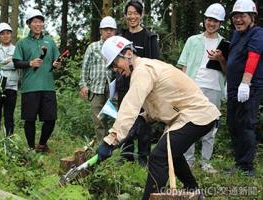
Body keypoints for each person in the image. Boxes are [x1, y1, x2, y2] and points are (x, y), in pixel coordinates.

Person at [97, 35, 220, 200]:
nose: (115, 70)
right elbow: (161, 100)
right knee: (172, 153)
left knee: (158, 156)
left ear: (127, 53)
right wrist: (143, 118)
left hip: (196, 115)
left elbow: (131, 104)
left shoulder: (142, 70)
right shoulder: (146, 68)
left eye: (114, 64)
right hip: (189, 116)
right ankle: (195, 192)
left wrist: (111, 139)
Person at [177, 3, 226, 173]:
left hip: (215, 88)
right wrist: (182, 88)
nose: (211, 23)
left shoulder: (225, 44)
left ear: (220, 23)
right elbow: (183, 66)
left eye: (215, 21)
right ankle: (188, 161)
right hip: (193, 87)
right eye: (209, 19)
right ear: (205, 20)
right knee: (189, 123)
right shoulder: (193, 41)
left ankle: (206, 162)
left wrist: (220, 59)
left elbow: (228, 71)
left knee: (211, 127)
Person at [117, 0, 160, 166]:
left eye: (135, 13)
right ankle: (126, 155)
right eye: (129, 13)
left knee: (143, 122)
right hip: (124, 86)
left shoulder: (149, 37)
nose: (132, 16)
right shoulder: (121, 37)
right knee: (125, 119)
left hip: (143, 86)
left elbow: (156, 63)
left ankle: (143, 157)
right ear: (125, 16)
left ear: (141, 15)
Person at [13, 9, 60, 152]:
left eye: (40, 21)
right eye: (34, 21)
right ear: (29, 24)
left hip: (48, 86)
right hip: (29, 87)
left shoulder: (50, 42)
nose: (38, 24)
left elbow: (56, 61)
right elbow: (16, 63)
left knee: (51, 119)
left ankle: (42, 144)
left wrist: (56, 64)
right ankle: (31, 148)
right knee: (30, 119)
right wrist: (30, 63)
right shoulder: (22, 43)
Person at [226, 0, 263, 177]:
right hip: (234, 88)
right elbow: (233, 61)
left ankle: (247, 167)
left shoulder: (257, 33)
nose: (238, 20)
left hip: (249, 88)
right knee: (233, 125)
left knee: (246, 125)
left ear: (252, 17)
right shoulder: (235, 35)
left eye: (243, 16)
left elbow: (253, 57)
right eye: (235, 16)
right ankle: (239, 162)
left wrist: (245, 83)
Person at [79, 16, 117, 143]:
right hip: (96, 89)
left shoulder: (118, 47)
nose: (109, 32)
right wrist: (83, 85)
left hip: (113, 89)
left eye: (111, 29)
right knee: (98, 120)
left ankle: (115, 146)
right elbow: (85, 67)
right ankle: (102, 146)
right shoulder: (93, 47)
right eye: (106, 29)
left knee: (116, 118)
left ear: (115, 31)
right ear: (100, 31)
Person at [0, 22, 19, 136]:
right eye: (2, 34)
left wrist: (1, 63)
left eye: (8, 33)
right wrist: (7, 61)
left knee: (9, 116)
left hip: (11, 86)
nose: (5, 36)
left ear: (11, 35)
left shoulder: (17, 50)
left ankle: (9, 140)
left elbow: (17, 64)